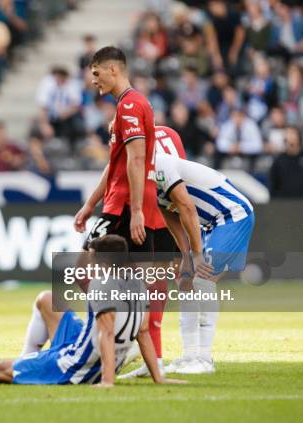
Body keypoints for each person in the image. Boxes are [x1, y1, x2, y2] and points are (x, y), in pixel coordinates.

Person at [0, 235, 186, 387]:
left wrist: (107, 381)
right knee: (48, 300)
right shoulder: (138, 284)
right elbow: (145, 333)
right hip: (87, 345)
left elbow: (107, 335)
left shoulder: (102, 284)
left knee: (4, 369)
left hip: (77, 365)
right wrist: (158, 377)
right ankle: (29, 359)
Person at [153, 148, 255, 374]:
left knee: (203, 280)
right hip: (209, 223)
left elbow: (187, 207)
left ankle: (204, 359)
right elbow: (171, 216)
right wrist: (186, 254)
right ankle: (190, 356)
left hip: (231, 214)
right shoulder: (137, 172)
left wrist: (197, 254)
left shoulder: (158, 163)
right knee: (185, 281)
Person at [74, 46, 164, 256]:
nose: (94, 81)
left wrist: (135, 210)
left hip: (125, 203)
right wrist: (90, 204)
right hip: (131, 200)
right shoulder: (133, 103)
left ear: (113, 69)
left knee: (83, 268)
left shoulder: (130, 106)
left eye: (97, 73)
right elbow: (116, 164)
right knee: (135, 275)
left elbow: (137, 158)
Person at [119, 125, 188, 379]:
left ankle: (151, 356)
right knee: (160, 286)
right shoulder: (170, 133)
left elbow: (125, 172)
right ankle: (179, 354)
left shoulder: (131, 136)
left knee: (144, 286)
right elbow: (180, 171)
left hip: (147, 214)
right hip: (169, 213)